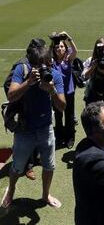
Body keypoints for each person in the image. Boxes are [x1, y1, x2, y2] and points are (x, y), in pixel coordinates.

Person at [1, 38, 66, 209]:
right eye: (39, 65)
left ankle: (45, 195)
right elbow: (11, 95)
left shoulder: (55, 75)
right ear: (33, 64)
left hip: (46, 129)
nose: (45, 68)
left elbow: (62, 106)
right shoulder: (22, 70)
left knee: (49, 165)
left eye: (47, 64)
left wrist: (52, 90)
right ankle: (10, 191)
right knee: (17, 167)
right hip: (24, 130)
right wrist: (28, 82)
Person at [49, 31, 78, 149]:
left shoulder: (68, 60)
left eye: (61, 46)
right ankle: (60, 135)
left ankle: (70, 137)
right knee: (58, 115)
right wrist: (54, 40)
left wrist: (68, 38)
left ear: (65, 48)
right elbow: (47, 53)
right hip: (57, 93)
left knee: (69, 115)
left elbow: (75, 51)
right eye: (57, 47)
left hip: (69, 92)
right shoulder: (51, 62)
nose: (59, 49)